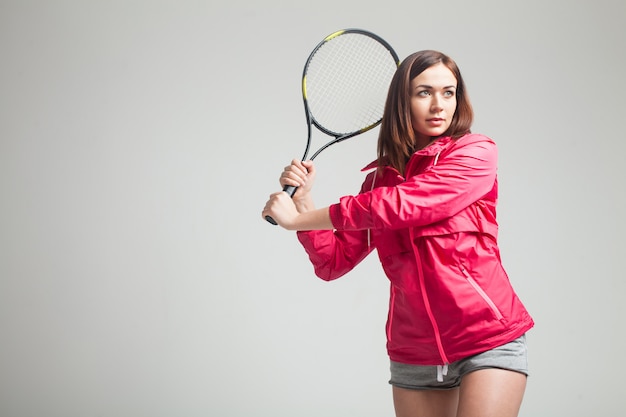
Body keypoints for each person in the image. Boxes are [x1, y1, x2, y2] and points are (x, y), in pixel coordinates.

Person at [262, 50, 534, 417]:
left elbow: (405, 204)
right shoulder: (377, 181)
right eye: (424, 92)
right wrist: (304, 202)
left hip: (486, 337)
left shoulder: (475, 153)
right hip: (413, 351)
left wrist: (296, 221)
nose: (439, 105)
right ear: (401, 101)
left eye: (448, 92)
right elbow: (332, 262)